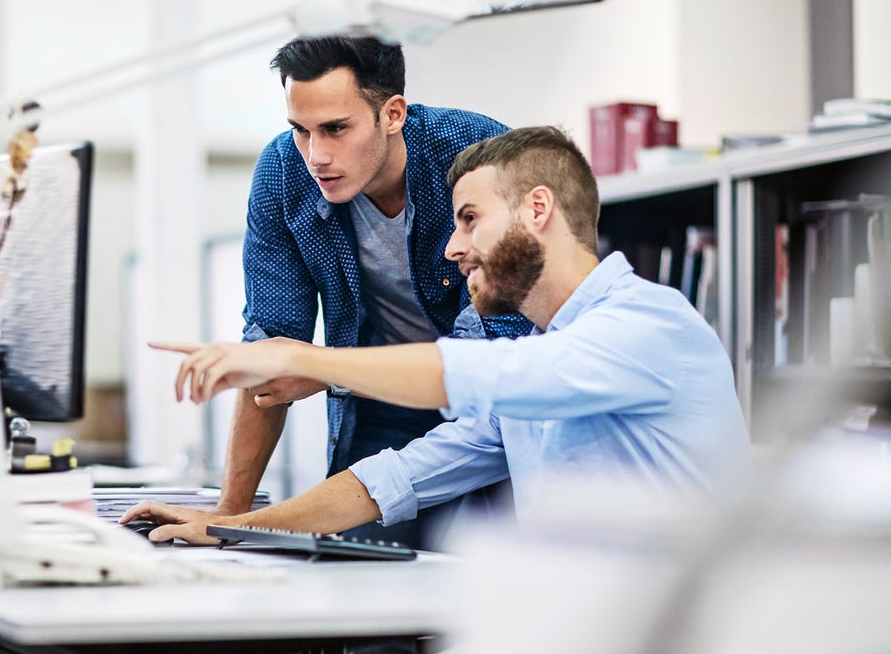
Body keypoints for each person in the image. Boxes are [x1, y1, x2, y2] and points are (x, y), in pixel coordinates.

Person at [123, 126, 753, 542]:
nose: (453, 247)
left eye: (470, 219)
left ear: (538, 209)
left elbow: (473, 373)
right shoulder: (541, 363)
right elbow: (396, 478)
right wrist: (234, 527)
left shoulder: (646, 325)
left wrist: (303, 359)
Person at [213, 35, 531, 549]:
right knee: (358, 560)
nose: (316, 155)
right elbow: (270, 349)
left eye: (336, 129)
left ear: (393, 114)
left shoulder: (477, 156)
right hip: (377, 398)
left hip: (489, 403)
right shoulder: (284, 172)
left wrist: (324, 370)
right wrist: (227, 518)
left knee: (489, 560)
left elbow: (491, 357)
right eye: (301, 130)